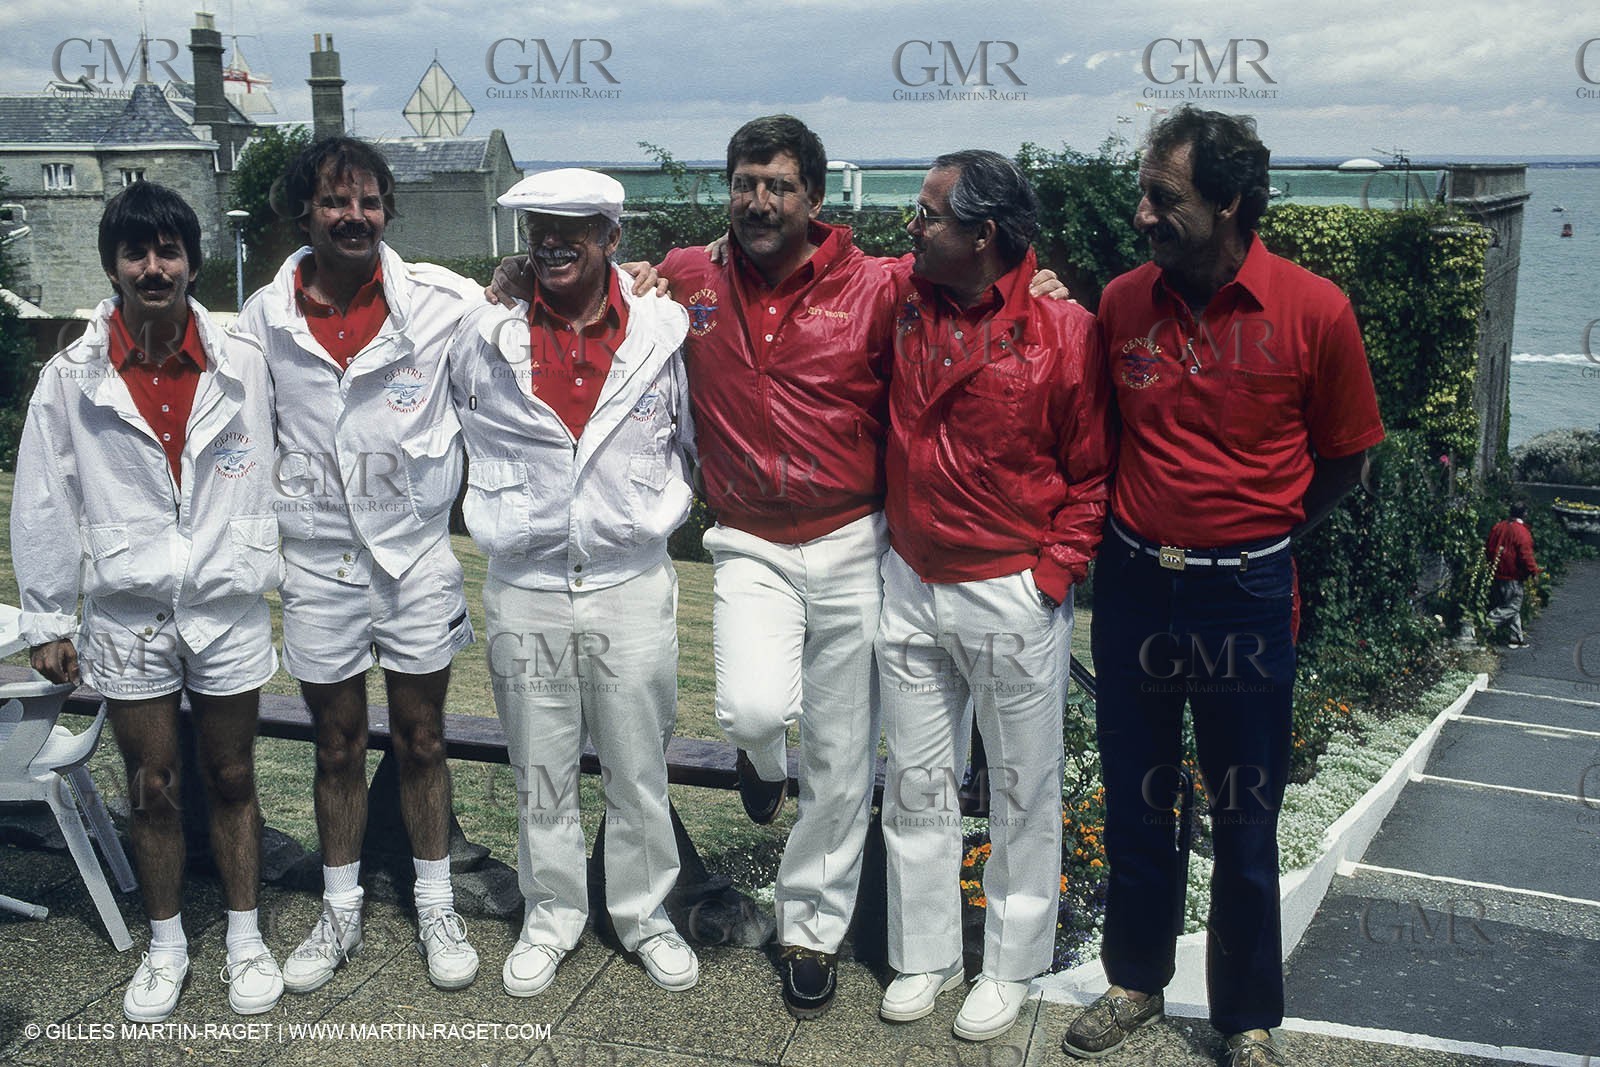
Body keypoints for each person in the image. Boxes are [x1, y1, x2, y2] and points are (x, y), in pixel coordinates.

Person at [1063, 107, 1385, 1067]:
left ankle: (1244, 1017)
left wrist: (1261, 535)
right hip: (1132, 586)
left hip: (1245, 595)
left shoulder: (1313, 310)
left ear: (1232, 201)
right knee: (1136, 795)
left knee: (1246, 809)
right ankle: (1134, 981)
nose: (1142, 213)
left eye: (1164, 197)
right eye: (1144, 191)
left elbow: (1346, 460)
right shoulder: (1122, 304)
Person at [13, 182, 284, 1020]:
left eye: (169, 251)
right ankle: (166, 943)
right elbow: (44, 497)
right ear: (114, 265)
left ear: (193, 262)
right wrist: (51, 615)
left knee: (233, 772)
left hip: (228, 597)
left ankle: (245, 936)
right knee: (152, 782)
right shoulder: (72, 376)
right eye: (137, 252)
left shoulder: (244, 360)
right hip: (128, 610)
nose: (154, 267)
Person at [872, 151, 1111, 1041]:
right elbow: (801, 263)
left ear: (983, 235)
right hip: (911, 579)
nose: (913, 226)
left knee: (1021, 788)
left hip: (1010, 589)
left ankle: (1009, 965)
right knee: (919, 786)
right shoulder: (901, 295)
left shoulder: (1064, 329)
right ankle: (925, 955)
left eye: (929, 214)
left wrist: (1050, 576)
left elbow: (1091, 473)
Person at [447, 168, 701, 997]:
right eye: (538, 230)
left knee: (637, 766)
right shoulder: (483, 332)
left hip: (630, 578)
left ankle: (643, 914)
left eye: (573, 230)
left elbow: (695, 437)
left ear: (611, 238)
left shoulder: (665, 328)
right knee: (542, 767)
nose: (552, 244)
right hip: (524, 580)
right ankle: (551, 914)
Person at [237, 136, 481, 993]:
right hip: (317, 565)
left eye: (371, 201)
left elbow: (534, 314)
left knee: (422, 737)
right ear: (303, 211)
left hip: (414, 560)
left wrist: (658, 273)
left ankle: (436, 899)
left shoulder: (446, 303)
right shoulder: (261, 322)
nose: (356, 217)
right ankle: (339, 908)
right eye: (337, 202)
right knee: (336, 744)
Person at [1486, 501, 1539, 648]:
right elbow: (1525, 555)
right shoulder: (1521, 531)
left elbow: (1488, 547)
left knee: (1509, 605)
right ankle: (1484, 625)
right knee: (1512, 607)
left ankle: (1515, 638)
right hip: (1513, 574)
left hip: (1497, 572)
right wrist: (1533, 572)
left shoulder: (1499, 527)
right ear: (1524, 514)